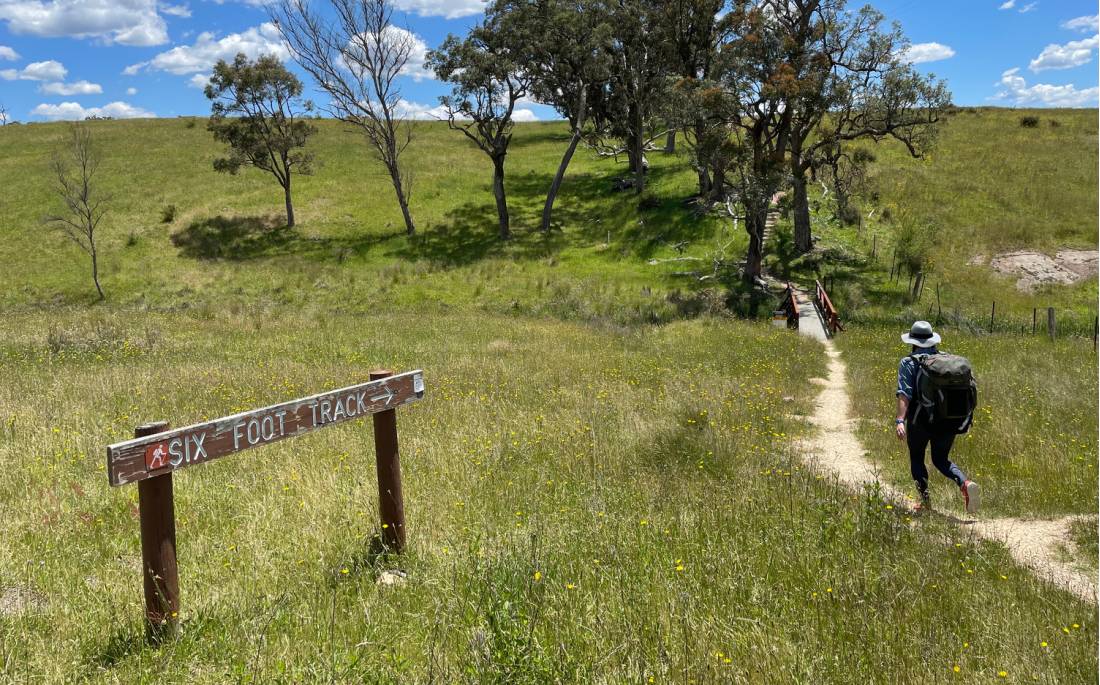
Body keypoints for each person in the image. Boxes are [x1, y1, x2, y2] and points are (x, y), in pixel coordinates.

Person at [894, 321, 980, 514]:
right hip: (948, 419)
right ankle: (965, 483)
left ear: (912, 342)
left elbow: (904, 394)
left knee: (917, 457)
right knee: (941, 459)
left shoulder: (908, 362)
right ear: (932, 341)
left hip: (920, 420)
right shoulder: (947, 362)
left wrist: (900, 420)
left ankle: (925, 503)